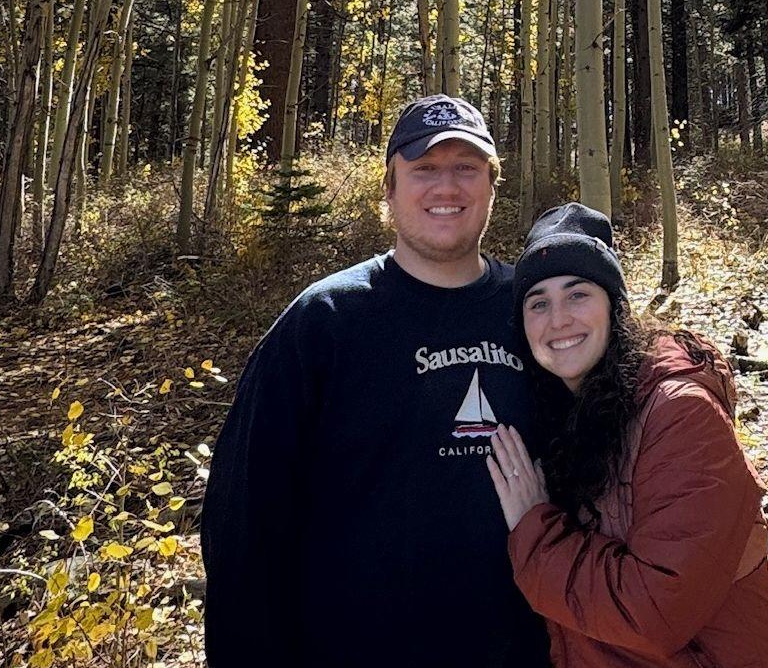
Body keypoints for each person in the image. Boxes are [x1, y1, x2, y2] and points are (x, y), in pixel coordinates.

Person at [201, 94, 548, 668]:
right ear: (389, 188)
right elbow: (245, 524)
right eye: (424, 168)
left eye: (467, 167)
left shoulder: (538, 313)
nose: (447, 186)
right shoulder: (324, 323)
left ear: (493, 184)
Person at [485, 204, 768, 668]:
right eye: (538, 303)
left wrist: (536, 529)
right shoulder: (567, 411)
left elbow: (654, 611)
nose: (558, 319)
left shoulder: (679, 412)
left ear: (614, 307)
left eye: (578, 294)